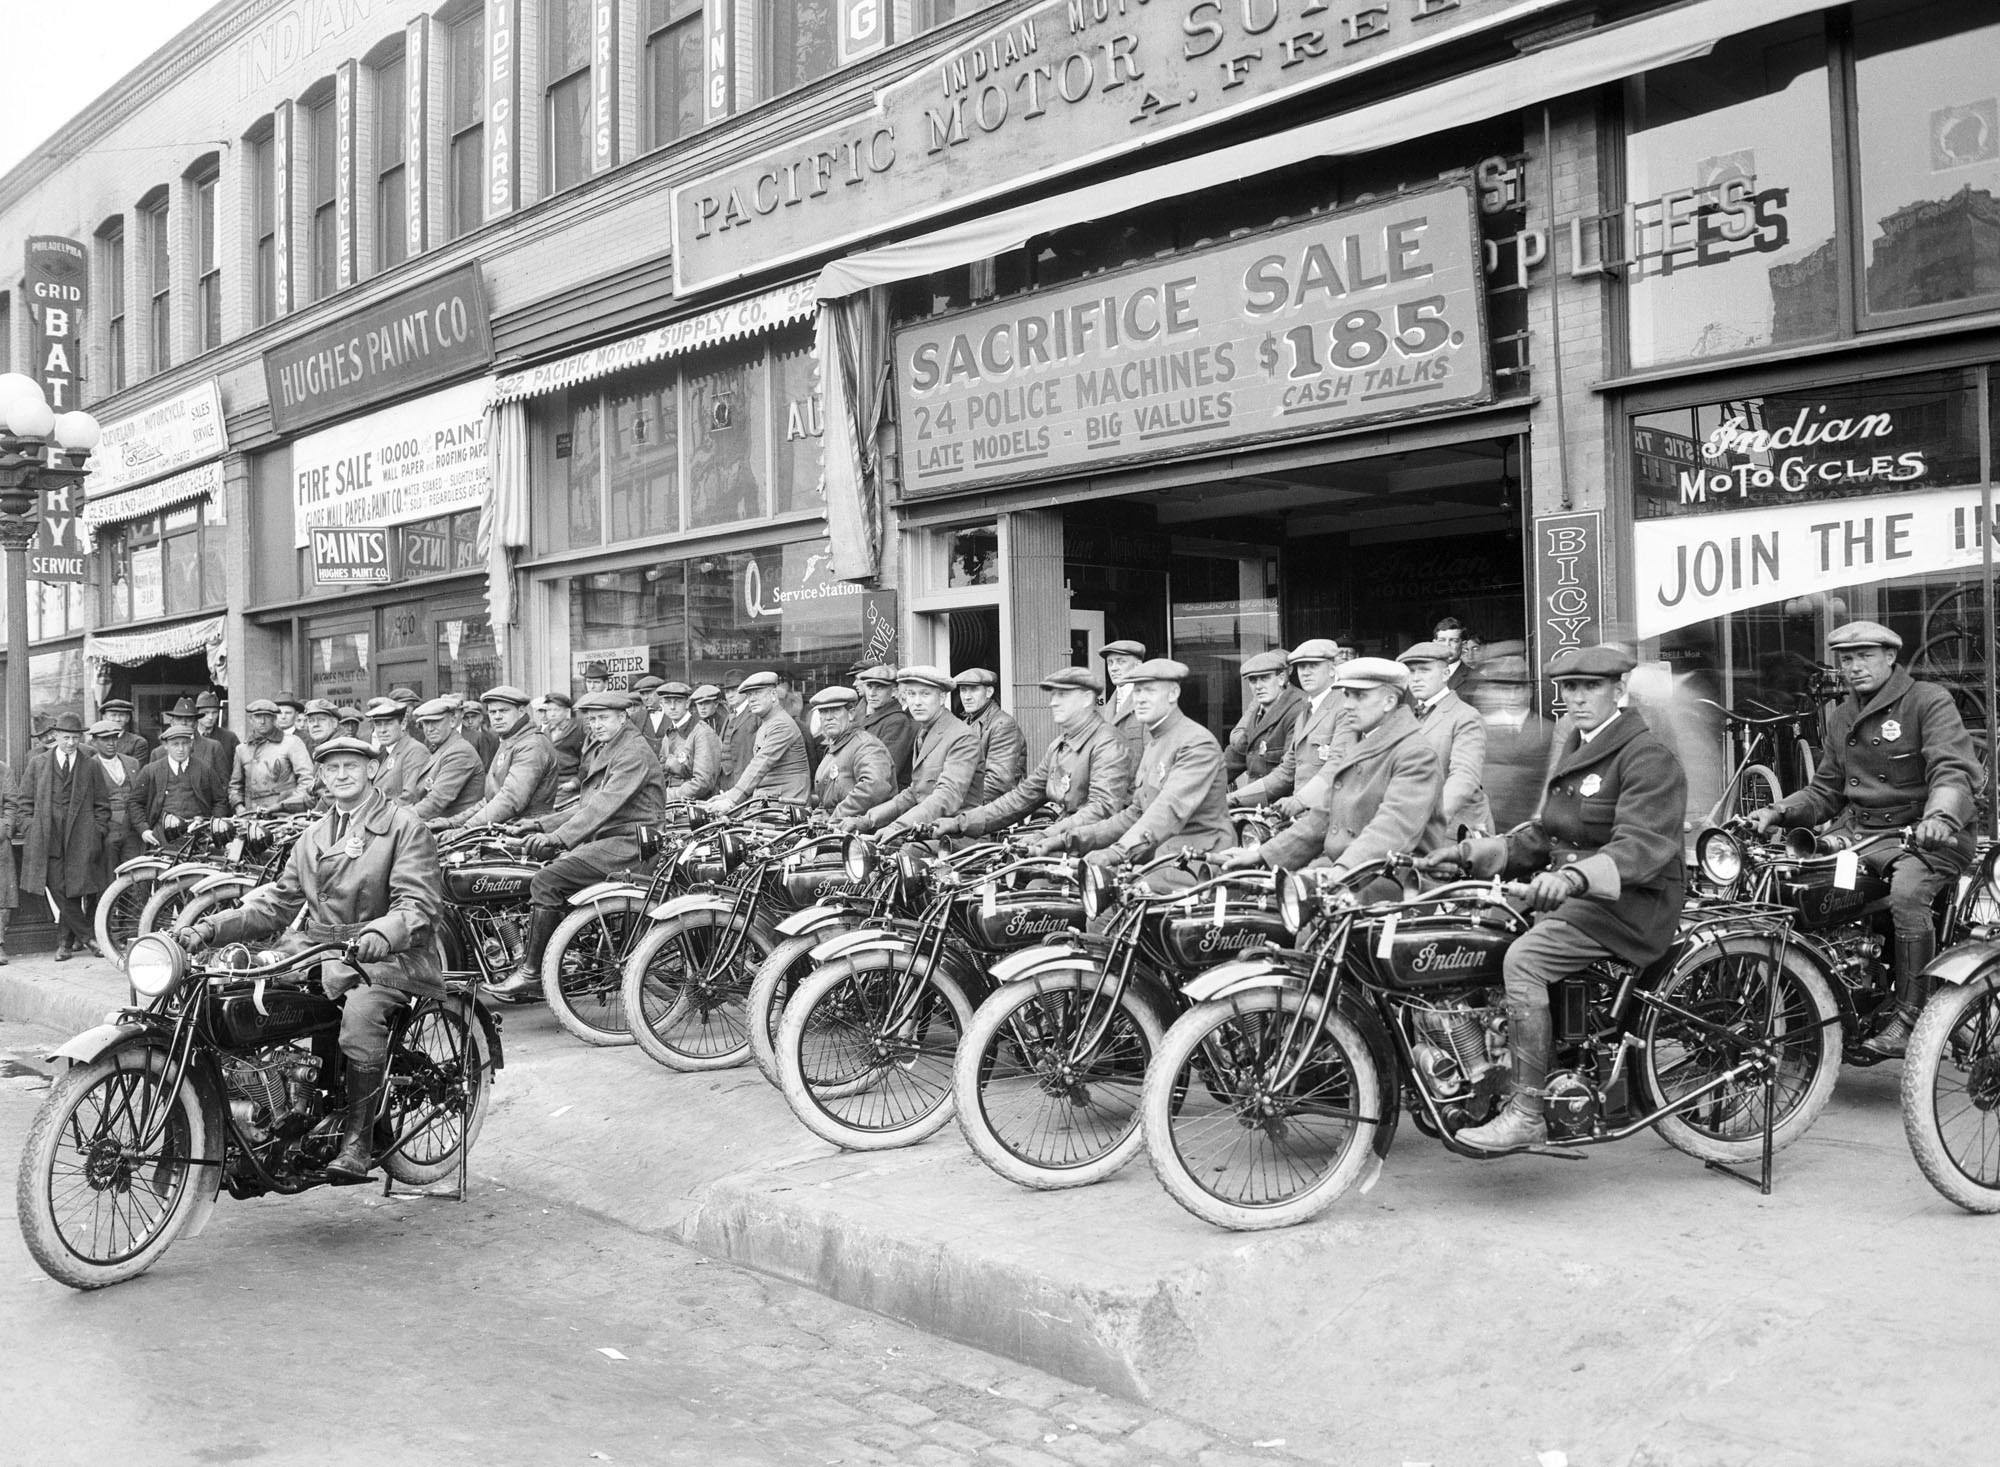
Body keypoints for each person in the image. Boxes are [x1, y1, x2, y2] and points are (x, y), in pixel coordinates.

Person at [1419, 645, 1688, 1153]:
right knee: (1471, 928)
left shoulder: (1645, 755)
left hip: (1630, 903)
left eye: (1592, 687)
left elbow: (1641, 847)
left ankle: (1526, 1111)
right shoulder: (1578, 745)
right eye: (1569, 688)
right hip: (1576, 894)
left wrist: (1571, 880)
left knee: (1524, 960)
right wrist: (1468, 854)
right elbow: (1546, 833)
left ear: (1619, 691)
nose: (1579, 697)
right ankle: (1481, 1066)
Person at [177, 735, 444, 1182]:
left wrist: (384, 932)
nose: (341, 775)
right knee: (242, 993)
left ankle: (358, 1142)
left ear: (372, 771)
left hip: (389, 958)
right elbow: (277, 904)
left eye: (351, 766)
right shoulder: (313, 834)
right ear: (320, 776)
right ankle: (275, 1112)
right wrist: (209, 927)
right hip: (319, 950)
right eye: (332, 768)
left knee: (360, 1017)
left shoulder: (403, 826)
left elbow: (418, 905)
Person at [1748, 620, 1983, 1057]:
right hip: (1861, 836)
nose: (1854, 667)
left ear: (1890, 657)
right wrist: (1777, 812)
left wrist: (1940, 817)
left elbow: (1952, 770)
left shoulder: (1928, 702)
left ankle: (1911, 1018)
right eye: (1847, 659)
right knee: (1799, 889)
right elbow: (1825, 792)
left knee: (1908, 894)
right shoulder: (1843, 716)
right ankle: (1813, 1009)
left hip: (1926, 836)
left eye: (1865, 656)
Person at [492, 690, 667, 998]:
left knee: (547, 880)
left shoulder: (632, 752)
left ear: (623, 717)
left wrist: (557, 838)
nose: (595, 725)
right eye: (591, 719)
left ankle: (534, 973)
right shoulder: (611, 746)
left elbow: (603, 806)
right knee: (543, 869)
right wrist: (540, 824)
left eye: (603, 718)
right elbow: (587, 804)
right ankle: (566, 955)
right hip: (613, 839)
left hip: (631, 845)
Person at [1221, 659, 1446, 894]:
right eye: (1347, 695)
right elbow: (1322, 819)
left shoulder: (1415, 754)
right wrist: (1263, 855)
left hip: (1395, 880)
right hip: (1346, 873)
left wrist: (1339, 873)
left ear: (1389, 701)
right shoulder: (1360, 742)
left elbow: (1391, 829)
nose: (1347, 705)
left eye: (1359, 696)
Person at [1046, 658, 1232, 882]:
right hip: (1161, 860)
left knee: (1107, 912)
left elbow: (1168, 809)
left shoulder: (1195, 743)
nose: (1140, 699)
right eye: (1137, 691)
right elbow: (1133, 815)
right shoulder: (1155, 743)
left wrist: (1117, 852)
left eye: (1150, 691)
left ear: (1173, 694)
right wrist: (1067, 839)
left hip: (1198, 865)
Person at [933, 666, 1131, 843]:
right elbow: (1023, 796)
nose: (1053, 703)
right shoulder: (1059, 746)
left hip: (1096, 852)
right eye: (1052, 695)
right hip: (1066, 841)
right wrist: (961, 823)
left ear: (1087, 698)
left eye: (1062, 695)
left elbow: (1101, 810)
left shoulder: (1107, 743)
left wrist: (1047, 835)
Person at [20, 713, 113, 961]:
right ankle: (89, 937)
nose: (71, 743)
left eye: (75, 737)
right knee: (57, 886)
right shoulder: (38, 764)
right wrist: (31, 829)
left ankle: (64, 944)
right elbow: (24, 802)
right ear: (55, 736)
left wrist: (96, 831)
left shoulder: (91, 764)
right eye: (66, 737)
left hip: (80, 837)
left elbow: (103, 805)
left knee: (73, 889)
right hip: (46, 836)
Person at [1228, 640, 1348, 816]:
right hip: (1305, 818)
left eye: (1313, 665)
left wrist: (1299, 801)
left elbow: (1337, 766)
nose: (1305, 673)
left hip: (1332, 817)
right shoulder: (1307, 711)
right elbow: (1286, 772)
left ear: (1332, 669)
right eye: (1301, 667)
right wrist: (1233, 799)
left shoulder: (1345, 706)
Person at [1397, 640, 1493, 836]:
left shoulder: (1466, 716)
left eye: (1424, 670)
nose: (1415, 678)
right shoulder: (1405, 717)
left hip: (1455, 830)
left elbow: (1464, 778)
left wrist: (1427, 821)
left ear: (1445, 674)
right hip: (1414, 826)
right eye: (1411, 672)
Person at [451, 686, 561, 829]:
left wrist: (464, 830)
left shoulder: (531, 745)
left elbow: (510, 800)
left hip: (528, 833)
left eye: (503, 711)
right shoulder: (510, 739)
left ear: (521, 712)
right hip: (507, 828)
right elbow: (491, 800)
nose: (497, 716)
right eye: (492, 712)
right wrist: (452, 823)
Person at [708, 671, 812, 809]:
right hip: (770, 803)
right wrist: (728, 795)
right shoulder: (767, 723)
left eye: (757, 693)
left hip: (786, 809)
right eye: (749, 695)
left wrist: (731, 800)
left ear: (774, 695)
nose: (752, 699)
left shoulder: (781, 725)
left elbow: (760, 764)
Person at [131, 725, 230, 844]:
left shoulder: (204, 769)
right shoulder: (151, 770)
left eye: (185, 743)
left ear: (191, 744)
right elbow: (135, 802)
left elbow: (220, 800)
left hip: (198, 834)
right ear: (166, 746)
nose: (181, 749)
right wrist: (144, 829)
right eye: (175, 744)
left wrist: (213, 826)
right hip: (162, 836)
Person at [808, 686, 895, 819]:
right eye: (823, 712)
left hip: (864, 832)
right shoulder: (835, 746)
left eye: (836, 710)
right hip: (839, 828)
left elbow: (874, 787)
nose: (828, 718)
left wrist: (834, 816)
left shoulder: (866, 745)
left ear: (851, 714)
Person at [1224, 650, 1306, 790]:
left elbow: (1286, 774)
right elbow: (1235, 757)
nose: (1258, 686)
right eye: (1253, 680)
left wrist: (1235, 798)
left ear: (1281, 679)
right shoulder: (1258, 713)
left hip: (1282, 806)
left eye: (1265, 678)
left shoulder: (1299, 710)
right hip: (1255, 802)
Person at [954, 668, 1026, 805]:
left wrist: (953, 800)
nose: (966, 697)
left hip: (998, 811)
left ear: (989, 692)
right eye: (963, 690)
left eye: (974, 690)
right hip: (975, 807)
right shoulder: (965, 724)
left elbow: (997, 783)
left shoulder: (1003, 725)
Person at [230, 698, 315, 814]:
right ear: (251, 720)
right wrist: (239, 807)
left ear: (274, 719)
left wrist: (286, 805)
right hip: (251, 815)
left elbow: (307, 781)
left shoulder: (292, 743)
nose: (262, 721)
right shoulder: (242, 749)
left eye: (267, 717)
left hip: (284, 816)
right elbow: (235, 786)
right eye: (258, 717)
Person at [410, 698, 486, 823]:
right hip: (436, 825)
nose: (429, 729)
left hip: (454, 832)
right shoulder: (442, 747)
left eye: (435, 722)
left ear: (452, 721)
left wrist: (398, 820)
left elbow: (435, 802)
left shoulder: (460, 753)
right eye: (425, 723)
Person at [89, 719, 146, 874]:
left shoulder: (132, 763)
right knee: (108, 878)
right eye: (105, 739)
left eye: (114, 738)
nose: (111, 743)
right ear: (94, 742)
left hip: (132, 830)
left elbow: (141, 797)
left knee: (136, 876)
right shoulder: (89, 766)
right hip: (107, 832)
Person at [853, 664, 916, 788]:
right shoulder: (871, 717)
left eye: (879, 688)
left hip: (883, 795)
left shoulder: (897, 722)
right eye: (869, 687)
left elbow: (886, 770)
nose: (872, 693)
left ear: (894, 691)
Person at [658, 681, 722, 802]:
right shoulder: (669, 734)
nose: (672, 707)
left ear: (687, 703)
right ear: (662, 705)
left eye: (678, 702)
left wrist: (671, 795)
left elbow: (703, 782)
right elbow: (662, 771)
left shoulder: (702, 733)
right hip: (672, 802)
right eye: (667, 702)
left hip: (695, 804)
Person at [365, 696, 431, 803]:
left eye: (388, 724)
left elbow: (409, 798)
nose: (382, 730)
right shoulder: (384, 752)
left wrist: (373, 814)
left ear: (403, 724)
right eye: (378, 724)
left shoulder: (415, 751)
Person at [1098, 639, 1148, 767]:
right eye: (1110, 663)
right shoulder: (1108, 706)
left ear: (1137, 666)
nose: (1113, 668)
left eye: (1121, 662)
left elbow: (1153, 756)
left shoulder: (1147, 702)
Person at [540, 690, 586, 795]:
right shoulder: (544, 732)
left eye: (556, 710)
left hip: (570, 784)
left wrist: (575, 782)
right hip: (548, 784)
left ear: (566, 712)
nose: (552, 714)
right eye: (549, 710)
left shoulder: (578, 730)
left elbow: (586, 762)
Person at [0, 754, 17, 963]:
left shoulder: (3, 769)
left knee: (1, 895)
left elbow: (12, 803)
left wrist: (4, 829)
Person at [195, 691, 239, 769]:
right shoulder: (189, 737)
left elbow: (238, 768)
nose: (210, 717)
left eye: (214, 712)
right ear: (197, 713)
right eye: (206, 713)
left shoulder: (230, 738)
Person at [1433, 617, 1475, 695]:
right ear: (1434, 644)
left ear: (1463, 645)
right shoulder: (1419, 677)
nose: (1447, 645)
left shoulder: (1476, 680)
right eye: (1442, 640)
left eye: (1454, 640)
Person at [459, 697, 500, 770]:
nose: (470, 722)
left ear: (481, 718)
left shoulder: (493, 738)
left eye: (473, 717)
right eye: (466, 718)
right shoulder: (459, 738)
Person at [633, 675, 671, 749]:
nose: (645, 698)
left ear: (660, 692)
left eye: (649, 693)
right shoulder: (636, 718)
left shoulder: (673, 713)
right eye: (642, 694)